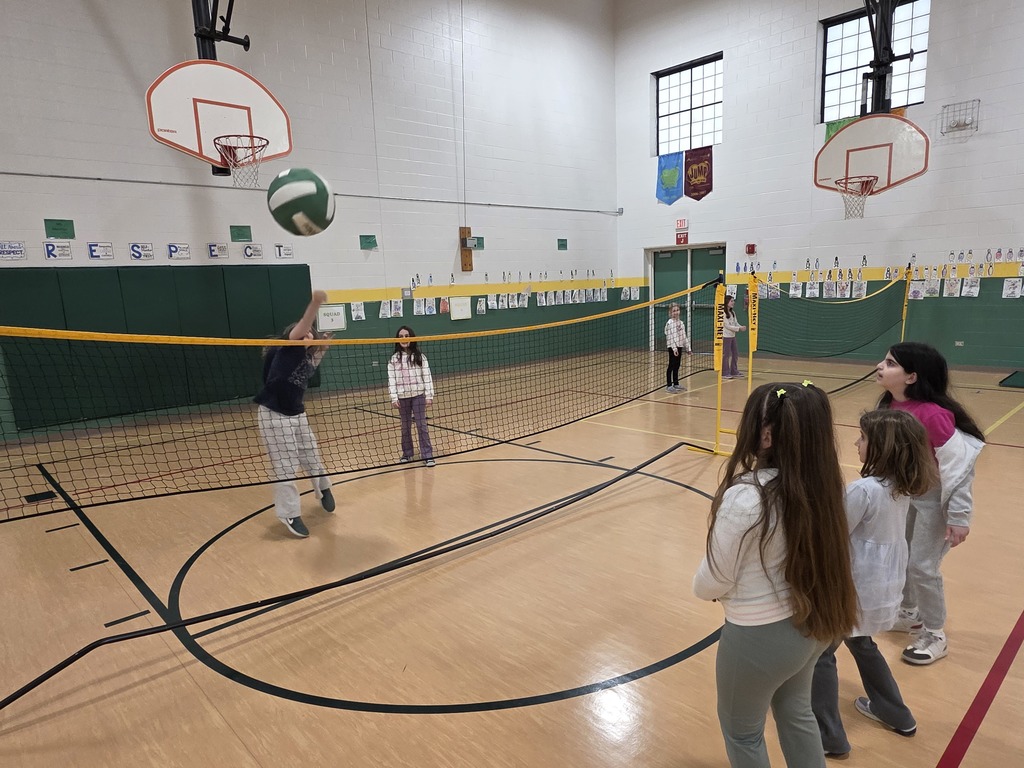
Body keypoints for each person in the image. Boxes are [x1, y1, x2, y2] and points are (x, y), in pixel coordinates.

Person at [694, 381, 858, 768]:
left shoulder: (746, 497)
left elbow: (710, 582)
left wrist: (711, 587)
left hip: (760, 637)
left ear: (766, 434)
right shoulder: (824, 486)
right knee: (796, 711)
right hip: (814, 624)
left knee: (743, 732)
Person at [811, 409, 938, 759]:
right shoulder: (902, 487)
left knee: (821, 654)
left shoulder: (864, 490)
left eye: (863, 438)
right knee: (863, 643)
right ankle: (896, 713)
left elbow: (834, 537)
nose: (856, 442)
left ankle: (829, 737)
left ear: (883, 447)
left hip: (855, 588)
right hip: (882, 588)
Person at [875, 342, 985, 665]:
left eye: (891, 363)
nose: (881, 366)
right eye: (884, 361)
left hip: (936, 501)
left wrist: (959, 516)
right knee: (905, 556)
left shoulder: (934, 416)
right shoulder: (890, 407)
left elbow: (960, 469)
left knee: (923, 566)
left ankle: (935, 632)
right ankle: (910, 613)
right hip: (908, 495)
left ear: (911, 377)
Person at [254, 290, 335, 539]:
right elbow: (303, 326)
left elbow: (318, 348)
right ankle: (289, 513)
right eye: (306, 332)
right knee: (285, 466)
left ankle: (323, 488)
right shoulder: (289, 347)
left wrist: (324, 342)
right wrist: (316, 303)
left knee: (311, 454)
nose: (309, 334)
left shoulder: (308, 356)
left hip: (297, 413)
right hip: (274, 414)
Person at [388, 325, 436, 466]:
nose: (404, 339)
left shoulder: (420, 357)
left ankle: (427, 455)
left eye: (407, 336)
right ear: (397, 339)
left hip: (418, 396)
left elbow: (427, 376)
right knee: (405, 426)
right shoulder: (393, 360)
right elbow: (391, 380)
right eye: (401, 336)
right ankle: (407, 453)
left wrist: (429, 395)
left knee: (421, 425)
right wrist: (394, 397)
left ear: (412, 338)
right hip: (402, 398)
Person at [664, 302, 691, 392]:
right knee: (671, 365)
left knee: (677, 365)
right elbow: (671, 337)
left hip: (679, 346)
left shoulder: (681, 323)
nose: (676, 312)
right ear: (670, 313)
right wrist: (674, 348)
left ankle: (676, 383)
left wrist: (688, 348)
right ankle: (669, 385)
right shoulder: (670, 323)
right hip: (672, 347)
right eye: (674, 311)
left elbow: (684, 336)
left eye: (677, 310)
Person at [722, 294, 747, 379]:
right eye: (731, 301)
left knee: (735, 353)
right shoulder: (723, 313)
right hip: (726, 336)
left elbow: (735, 323)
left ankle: (734, 371)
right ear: (727, 302)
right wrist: (738, 328)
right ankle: (724, 373)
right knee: (726, 355)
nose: (733, 302)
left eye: (733, 301)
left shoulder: (732, 312)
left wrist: (740, 326)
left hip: (732, 336)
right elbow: (727, 326)